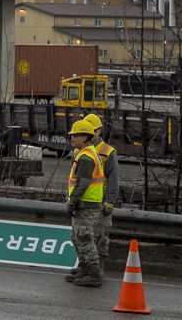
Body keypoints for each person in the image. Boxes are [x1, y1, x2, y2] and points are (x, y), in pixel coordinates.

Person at [64, 119, 106, 287]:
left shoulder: (87, 156)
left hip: (86, 204)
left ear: (84, 137)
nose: (72, 139)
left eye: (75, 136)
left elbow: (82, 183)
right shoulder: (84, 153)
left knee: (84, 238)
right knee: (76, 237)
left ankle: (94, 274)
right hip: (85, 203)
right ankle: (85, 269)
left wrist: (72, 202)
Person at [83, 113, 119, 273]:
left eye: (93, 131)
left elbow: (113, 178)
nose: (90, 135)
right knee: (83, 235)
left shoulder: (107, 152)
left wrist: (110, 200)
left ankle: (99, 267)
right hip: (85, 200)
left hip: (101, 201)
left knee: (100, 234)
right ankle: (85, 266)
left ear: (99, 131)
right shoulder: (81, 150)